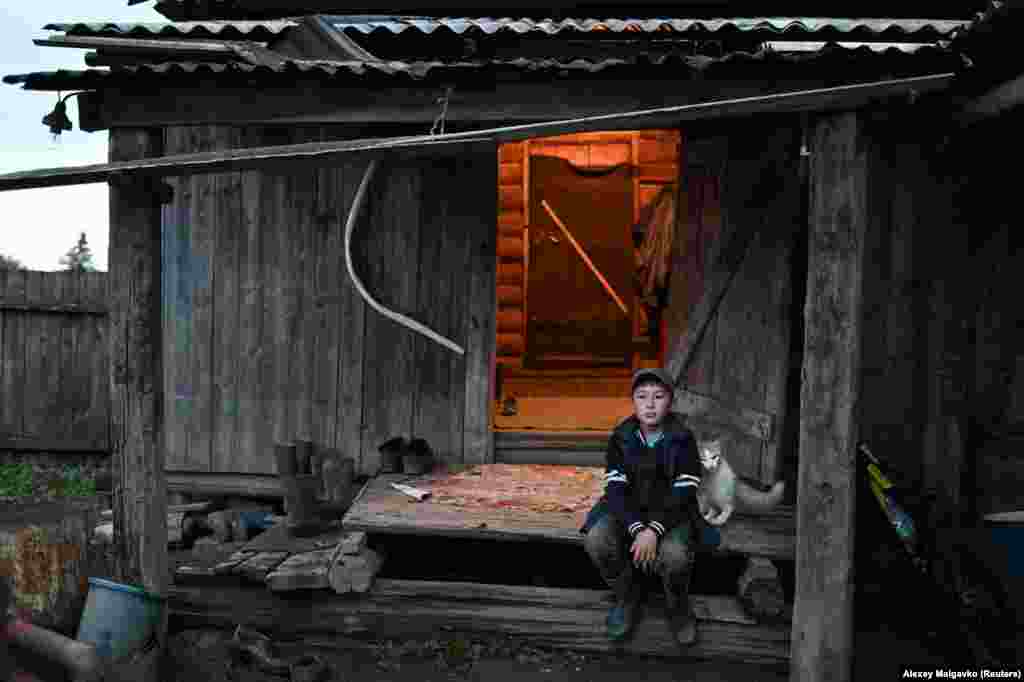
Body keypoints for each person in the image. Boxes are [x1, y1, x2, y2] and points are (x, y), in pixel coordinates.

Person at [579, 367, 704, 646]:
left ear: (669, 402)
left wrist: (654, 530)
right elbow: (616, 490)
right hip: (628, 512)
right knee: (597, 539)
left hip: (671, 514)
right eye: (642, 396)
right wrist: (637, 528)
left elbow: (683, 493)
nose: (650, 404)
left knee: (674, 555)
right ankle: (627, 595)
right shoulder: (621, 438)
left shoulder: (683, 439)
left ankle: (677, 605)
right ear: (633, 401)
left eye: (658, 396)